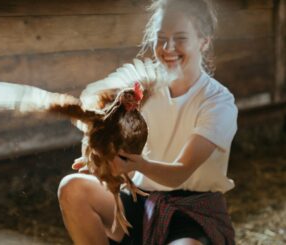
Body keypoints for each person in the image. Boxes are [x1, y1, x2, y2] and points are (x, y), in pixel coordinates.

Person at [57, 0, 238, 244]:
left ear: (204, 41)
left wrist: (135, 165)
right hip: (140, 200)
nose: (168, 47)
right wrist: (104, 160)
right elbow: (97, 105)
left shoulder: (217, 101)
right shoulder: (142, 89)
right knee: (72, 189)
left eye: (180, 38)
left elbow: (179, 173)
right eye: (161, 37)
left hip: (192, 211)